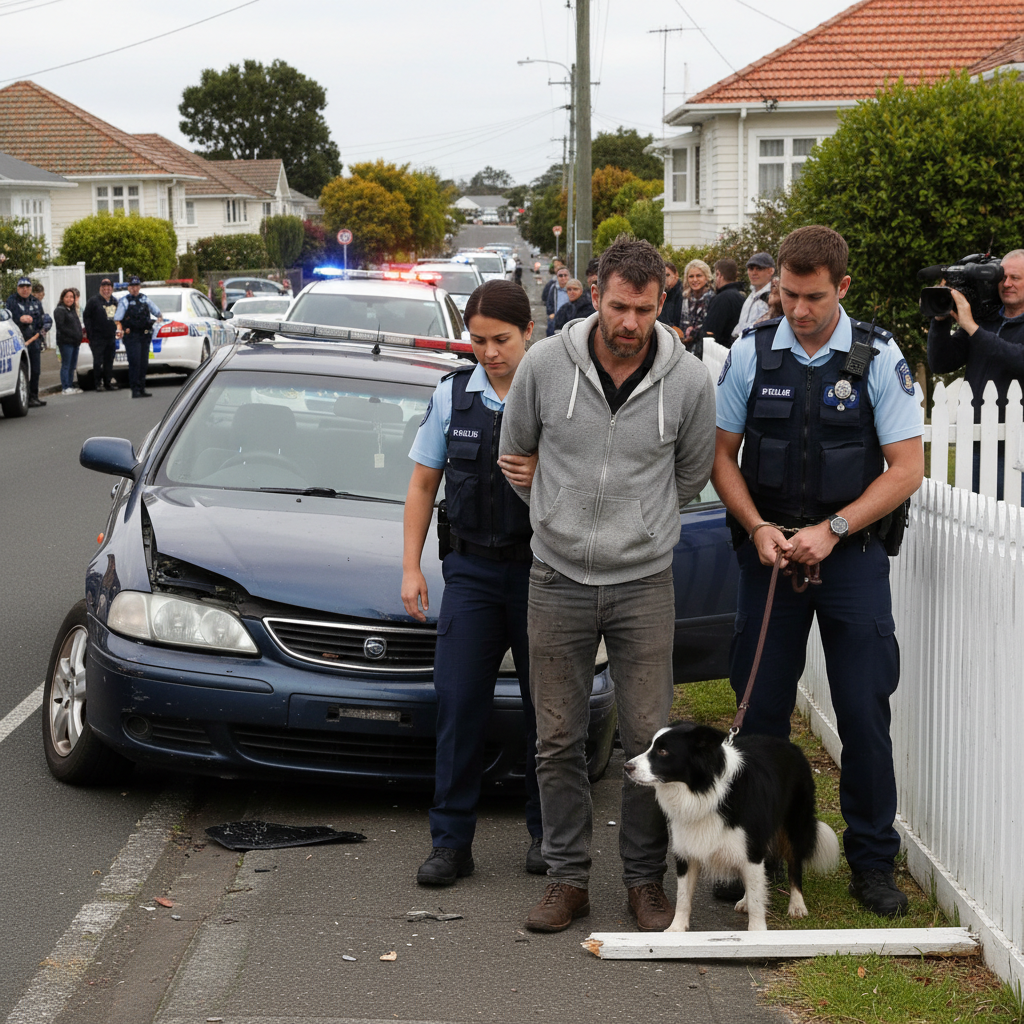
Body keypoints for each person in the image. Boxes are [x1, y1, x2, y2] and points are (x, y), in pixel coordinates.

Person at [499, 236, 717, 933]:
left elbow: (689, 477)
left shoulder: (688, 383)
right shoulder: (543, 364)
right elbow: (514, 448)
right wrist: (555, 508)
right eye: (619, 306)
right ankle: (567, 879)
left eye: (645, 310)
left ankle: (643, 884)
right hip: (555, 575)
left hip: (644, 582)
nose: (629, 323)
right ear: (597, 295)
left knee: (651, 742)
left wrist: (641, 525)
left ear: (663, 304)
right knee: (557, 738)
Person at [711, 225, 924, 917]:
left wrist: (833, 531)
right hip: (769, 558)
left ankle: (871, 863)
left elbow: (907, 469)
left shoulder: (878, 356)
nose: (798, 311)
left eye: (813, 297)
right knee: (760, 717)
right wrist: (758, 526)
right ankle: (756, 857)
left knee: (863, 714)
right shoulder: (752, 351)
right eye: (787, 295)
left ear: (843, 288)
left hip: (850, 557)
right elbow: (720, 456)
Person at [402, 279, 544, 887]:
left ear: (529, 333)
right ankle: (451, 842)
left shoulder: (552, 395)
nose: (489, 352)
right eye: (478, 340)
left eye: (501, 339)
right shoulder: (452, 395)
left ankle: (550, 838)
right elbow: (421, 486)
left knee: (550, 713)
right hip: (472, 573)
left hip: (543, 574)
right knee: (458, 704)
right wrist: (411, 566)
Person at [927, 247, 1024, 500]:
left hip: (1015, 449)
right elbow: (941, 362)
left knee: (1009, 527)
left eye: (1016, 278)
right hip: (974, 443)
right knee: (972, 527)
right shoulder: (986, 319)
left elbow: (1017, 358)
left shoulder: (977, 324)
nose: (1007, 283)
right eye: (1003, 277)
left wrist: (971, 326)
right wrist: (941, 320)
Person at [114, 275, 163, 398]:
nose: (134, 289)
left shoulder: (144, 299)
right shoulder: (124, 301)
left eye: (136, 286)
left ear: (139, 287)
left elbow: (157, 312)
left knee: (143, 363)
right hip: (132, 336)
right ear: (129, 288)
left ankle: (142, 388)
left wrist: (159, 319)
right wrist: (122, 330)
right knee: (135, 363)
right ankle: (135, 389)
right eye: (132, 286)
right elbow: (117, 319)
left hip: (144, 335)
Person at [5, 275, 46, 407]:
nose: (25, 289)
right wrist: (20, 319)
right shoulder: (11, 301)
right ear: (17, 288)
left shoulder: (35, 302)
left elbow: (41, 320)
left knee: (35, 370)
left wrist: (38, 329)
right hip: (18, 342)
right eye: (22, 287)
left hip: (33, 340)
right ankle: (23, 397)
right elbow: (8, 320)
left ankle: (33, 396)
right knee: (22, 370)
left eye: (27, 287)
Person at [82, 278, 120, 391]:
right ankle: (98, 383)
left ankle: (108, 382)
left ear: (112, 289)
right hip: (97, 337)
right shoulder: (93, 301)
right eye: (104, 288)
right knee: (98, 361)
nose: (106, 291)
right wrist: (90, 332)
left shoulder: (114, 301)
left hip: (110, 336)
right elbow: (86, 316)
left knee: (109, 360)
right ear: (100, 289)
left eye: (108, 288)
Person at [701, 259, 745, 347]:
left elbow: (710, 332)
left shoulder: (721, 299)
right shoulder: (742, 297)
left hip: (721, 352)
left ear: (719, 274)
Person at [732, 252, 775, 339]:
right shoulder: (751, 296)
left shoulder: (774, 297)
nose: (754, 273)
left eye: (759, 269)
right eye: (751, 269)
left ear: (770, 271)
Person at [679, 258, 714, 362]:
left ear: (706, 277)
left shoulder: (712, 298)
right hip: (685, 350)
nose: (694, 280)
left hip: (704, 352)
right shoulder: (685, 298)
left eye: (699, 275)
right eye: (691, 276)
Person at [53, 287, 83, 395]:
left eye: (71, 297)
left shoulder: (72, 310)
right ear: (62, 298)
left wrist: (79, 335)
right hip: (66, 342)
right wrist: (74, 334)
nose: (69, 299)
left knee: (72, 365)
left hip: (75, 342)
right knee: (66, 364)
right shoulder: (60, 310)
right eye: (67, 297)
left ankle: (70, 385)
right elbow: (61, 327)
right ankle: (65, 387)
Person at [657, 260, 684, 340]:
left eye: (667, 275)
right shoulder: (660, 294)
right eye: (661, 276)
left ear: (676, 275)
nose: (664, 279)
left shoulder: (683, 294)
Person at [545, 265, 571, 336]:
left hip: (569, 318)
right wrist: (551, 313)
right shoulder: (553, 288)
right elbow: (549, 303)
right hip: (556, 317)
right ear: (557, 277)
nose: (563, 278)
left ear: (569, 276)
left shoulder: (572, 288)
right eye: (560, 276)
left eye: (565, 275)